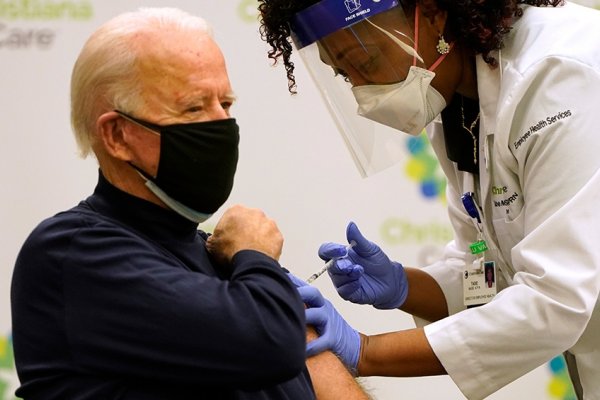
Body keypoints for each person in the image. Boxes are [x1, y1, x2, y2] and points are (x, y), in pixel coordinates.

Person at [10, 7, 370, 400]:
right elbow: (270, 344)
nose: (223, 126)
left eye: (226, 105)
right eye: (194, 108)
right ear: (117, 135)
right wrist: (258, 259)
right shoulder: (73, 252)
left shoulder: (224, 258)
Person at [257, 0, 600, 399]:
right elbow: (489, 269)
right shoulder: (457, 105)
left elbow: (554, 302)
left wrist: (365, 351)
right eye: (343, 74)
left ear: (434, 13)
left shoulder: (558, 76)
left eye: (365, 62)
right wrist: (404, 286)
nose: (362, 95)